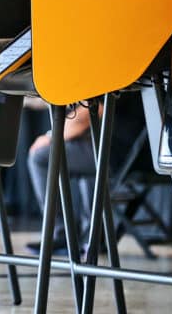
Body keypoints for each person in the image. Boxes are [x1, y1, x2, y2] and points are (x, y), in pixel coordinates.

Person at [25, 94, 146, 255]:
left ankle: (62, 235)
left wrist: (50, 137)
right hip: (138, 155)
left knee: (39, 156)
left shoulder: (114, 73)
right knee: (84, 150)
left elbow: (90, 112)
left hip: (119, 156)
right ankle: (92, 237)